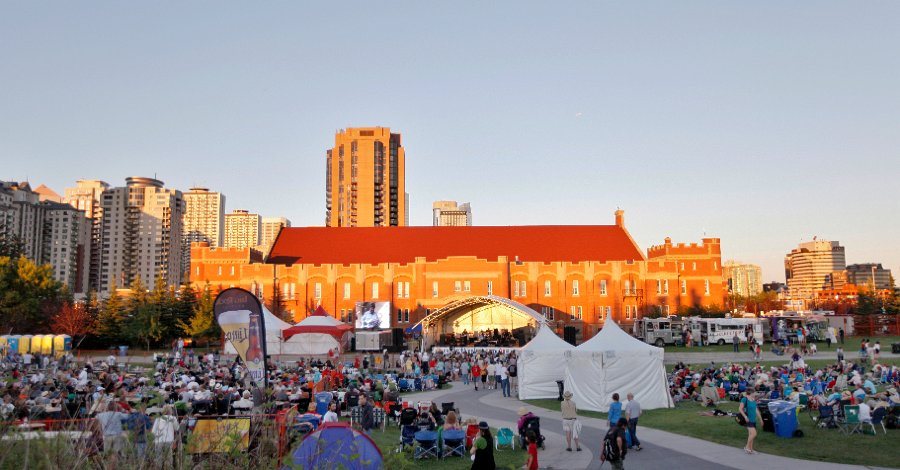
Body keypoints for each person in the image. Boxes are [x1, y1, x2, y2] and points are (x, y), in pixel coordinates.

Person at [739, 388, 759, 454]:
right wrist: (745, 416)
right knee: (754, 434)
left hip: (753, 419)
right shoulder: (744, 399)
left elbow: (755, 410)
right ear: (751, 393)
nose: (755, 394)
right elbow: (740, 409)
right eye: (754, 392)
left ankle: (751, 449)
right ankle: (747, 447)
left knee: (751, 435)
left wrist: (761, 419)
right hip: (748, 420)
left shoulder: (753, 400)